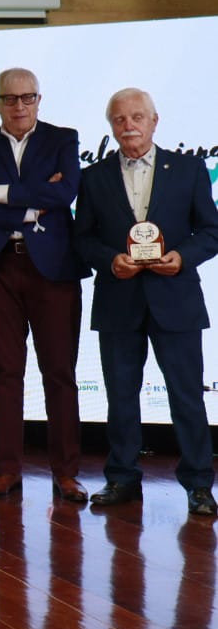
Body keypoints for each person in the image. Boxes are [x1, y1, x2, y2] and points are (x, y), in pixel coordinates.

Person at [74, 89, 218, 517]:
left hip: (176, 299)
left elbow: (211, 231)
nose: (129, 125)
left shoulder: (189, 169)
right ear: (111, 126)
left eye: (137, 116)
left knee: (187, 397)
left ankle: (199, 485)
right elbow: (82, 239)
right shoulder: (93, 176)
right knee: (120, 397)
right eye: (119, 119)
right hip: (118, 299)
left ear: (155, 121)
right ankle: (122, 477)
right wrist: (109, 260)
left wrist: (182, 257)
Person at [0, 67, 86, 501]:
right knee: (5, 372)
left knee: (60, 372)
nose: (19, 106)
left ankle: (66, 473)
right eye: (9, 99)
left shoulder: (62, 138)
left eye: (27, 97)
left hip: (52, 269)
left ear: (39, 100)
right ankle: (7, 469)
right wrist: (31, 207)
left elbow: (65, 193)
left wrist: (2, 193)